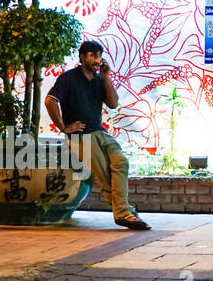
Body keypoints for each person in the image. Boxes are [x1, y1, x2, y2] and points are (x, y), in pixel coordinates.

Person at [44, 41, 150, 230]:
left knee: (121, 162)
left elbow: (113, 104)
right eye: (92, 55)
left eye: (99, 55)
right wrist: (64, 127)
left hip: (100, 132)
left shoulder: (100, 79)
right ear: (82, 57)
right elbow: (50, 101)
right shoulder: (68, 78)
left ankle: (124, 212)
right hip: (81, 136)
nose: (97, 59)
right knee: (104, 176)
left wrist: (107, 78)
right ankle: (124, 213)